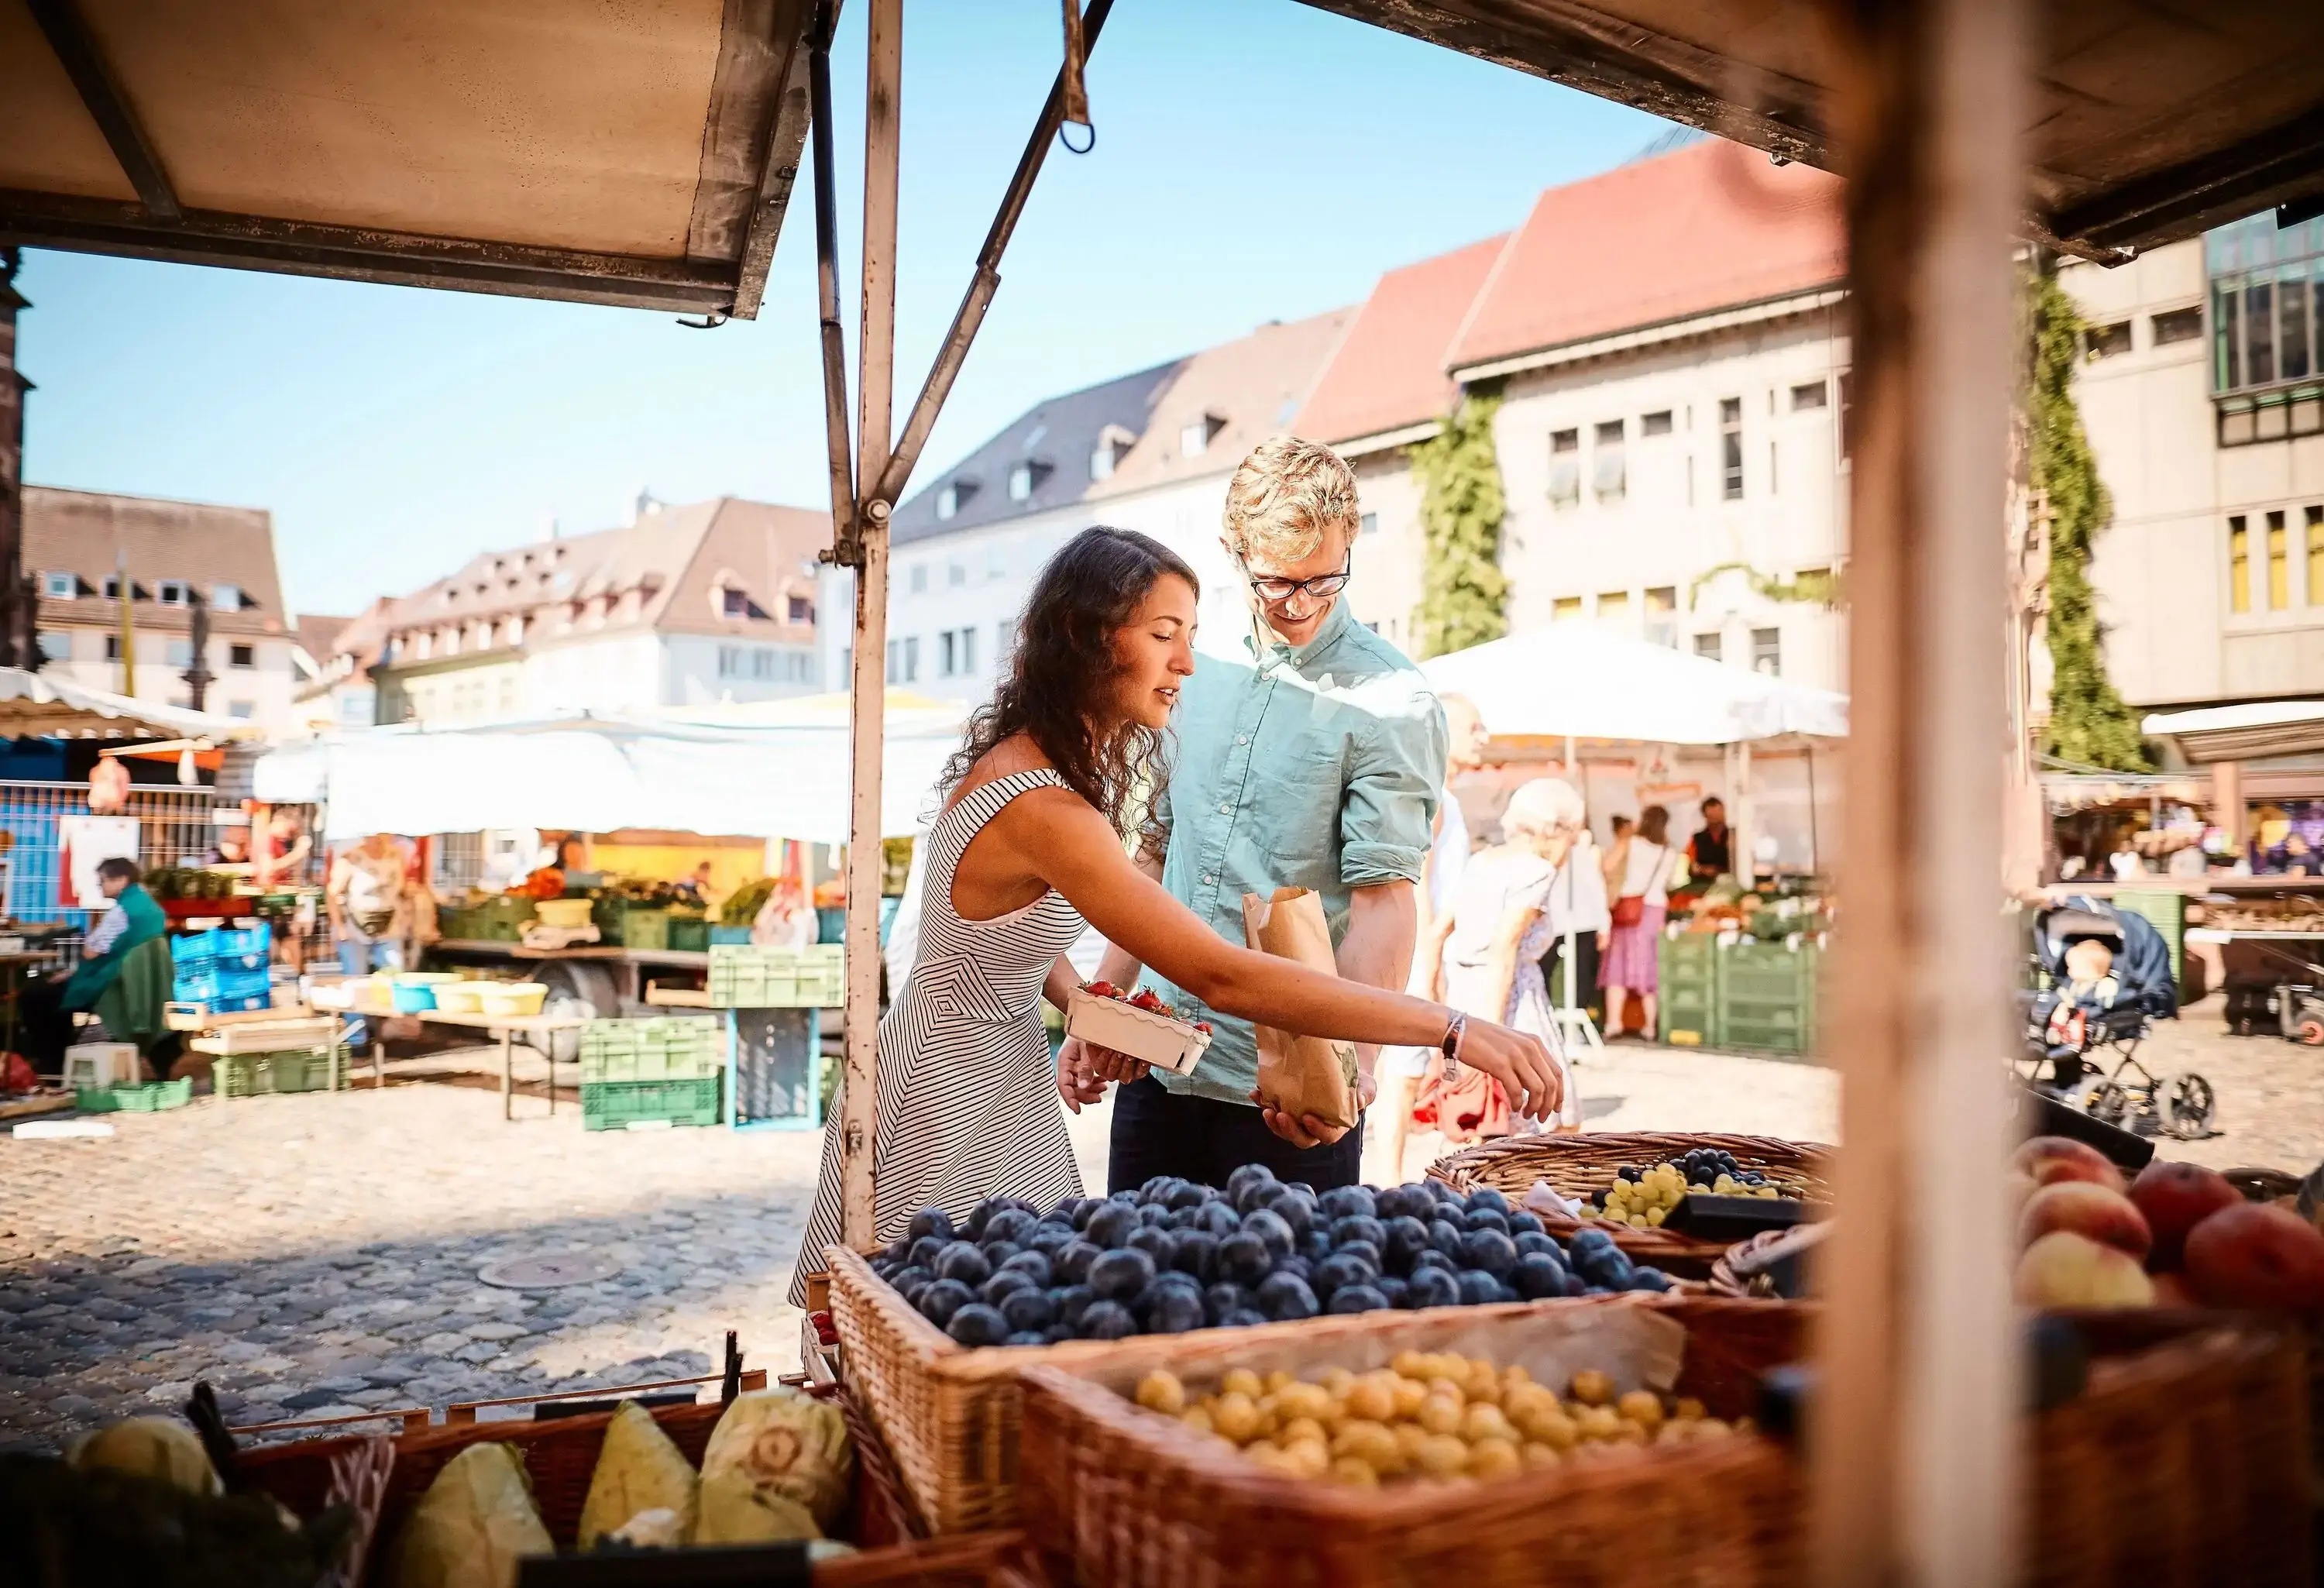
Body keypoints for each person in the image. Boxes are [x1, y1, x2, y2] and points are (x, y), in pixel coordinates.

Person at [786, 528, 1556, 1302]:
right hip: (946, 1093)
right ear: (1089, 637)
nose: (1187, 661)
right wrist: (1451, 1027)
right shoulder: (1045, 805)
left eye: (1189, 634)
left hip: (993, 1077)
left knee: (1010, 1320)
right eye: (1164, 635)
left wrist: (1088, 1005)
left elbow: (1002, 939)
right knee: (931, 1329)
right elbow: (1220, 973)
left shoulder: (1041, 768)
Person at [1071, 437, 1448, 1193]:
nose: (1301, 604)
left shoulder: (1394, 701)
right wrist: (1101, 1006)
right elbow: (1153, 854)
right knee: (1135, 1299)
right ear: (1233, 551)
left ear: (1352, 540)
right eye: (1277, 582)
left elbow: (1383, 900)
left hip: (1292, 1090)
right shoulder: (1191, 670)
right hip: (1159, 1067)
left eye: (1324, 579)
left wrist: (1357, 1068)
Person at [1412, 779, 1586, 1149]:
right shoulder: (1537, 871)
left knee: (1475, 1121)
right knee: (1546, 1116)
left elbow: (1440, 930)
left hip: (1461, 992)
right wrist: (1492, 1031)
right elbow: (1504, 949)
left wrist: (1435, 993)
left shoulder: (1482, 861)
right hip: (1509, 999)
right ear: (1558, 830)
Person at [1373, 692, 1485, 1184]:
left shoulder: (1447, 798)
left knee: (1414, 1071)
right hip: (1422, 950)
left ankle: (1398, 1172)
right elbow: (1415, 883)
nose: (1484, 738)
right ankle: (1390, 1177)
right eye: (1474, 728)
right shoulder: (1432, 797)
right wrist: (1428, 963)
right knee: (1403, 1071)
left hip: (1432, 948)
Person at [22, 858, 167, 1074]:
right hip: (133, 980)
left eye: (102, 882)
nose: (100, 887)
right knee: (49, 992)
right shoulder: (148, 906)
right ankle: (54, 1061)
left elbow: (90, 952)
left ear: (121, 880)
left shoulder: (122, 912)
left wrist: (75, 969)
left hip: (109, 982)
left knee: (35, 996)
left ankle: (52, 1063)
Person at [1600, 803, 1679, 1040]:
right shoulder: (1670, 853)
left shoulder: (1630, 844)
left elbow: (1606, 867)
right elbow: (1671, 883)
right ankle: (1650, 1027)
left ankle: (1614, 1024)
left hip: (1629, 909)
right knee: (1648, 963)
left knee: (1618, 965)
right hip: (1655, 910)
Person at [1686, 796, 1732, 886]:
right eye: (1712, 815)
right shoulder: (1697, 839)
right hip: (1702, 887)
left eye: (1718, 812)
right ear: (1705, 816)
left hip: (1729, 885)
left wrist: (1718, 871)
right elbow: (1690, 866)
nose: (1716, 816)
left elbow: (1740, 864)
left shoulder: (1733, 836)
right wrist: (1703, 870)